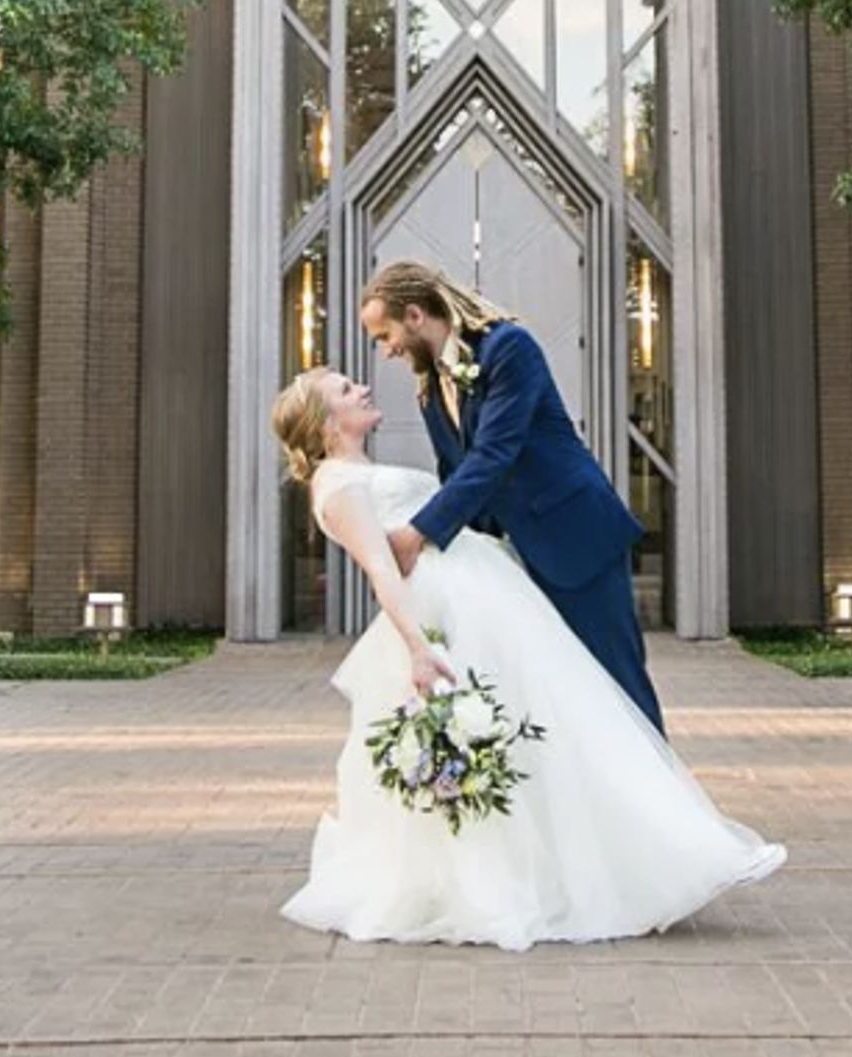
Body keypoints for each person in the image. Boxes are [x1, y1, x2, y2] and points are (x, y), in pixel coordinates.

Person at [270, 365, 782, 948]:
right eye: (344, 389)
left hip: (490, 598)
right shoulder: (337, 488)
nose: (360, 387)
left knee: (559, 724)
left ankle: (629, 855)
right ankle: (526, 880)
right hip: (453, 619)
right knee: (533, 729)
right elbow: (383, 573)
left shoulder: (358, 470)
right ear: (327, 423)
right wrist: (419, 649)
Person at [359, 260, 665, 733]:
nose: (387, 351)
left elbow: (493, 455)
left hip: (576, 538)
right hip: (519, 558)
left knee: (618, 682)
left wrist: (417, 533)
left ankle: (660, 798)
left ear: (415, 316)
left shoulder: (508, 348)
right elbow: (457, 476)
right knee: (554, 692)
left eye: (385, 335)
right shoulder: (430, 392)